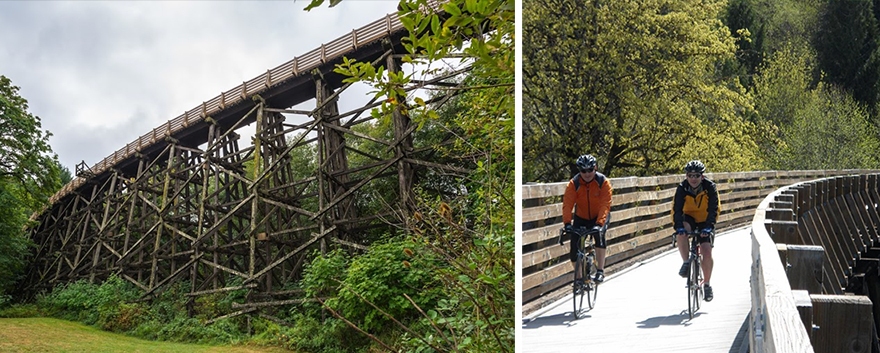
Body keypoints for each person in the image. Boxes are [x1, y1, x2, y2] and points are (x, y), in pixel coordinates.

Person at [671, 160, 720, 302]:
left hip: (705, 220)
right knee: (682, 232)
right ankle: (686, 262)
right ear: (686, 176)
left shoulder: (710, 187)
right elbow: (676, 209)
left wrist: (709, 226)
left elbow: (714, 208)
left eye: (697, 176)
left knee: (706, 250)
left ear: (702, 176)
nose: (693, 179)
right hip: (689, 217)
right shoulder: (682, 188)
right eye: (690, 175)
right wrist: (678, 227)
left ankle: (707, 284)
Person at [559, 154, 613, 283]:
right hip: (581, 216)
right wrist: (567, 223)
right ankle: (579, 278)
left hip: (599, 216)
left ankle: (600, 270)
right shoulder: (574, 184)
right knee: (574, 249)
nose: (587, 174)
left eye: (590, 170)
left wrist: (599, 224)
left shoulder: (603, 182)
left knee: (599, 237)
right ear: (579, 171)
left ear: (595, 168)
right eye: (583, 171)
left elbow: (605, 204)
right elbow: (567, 205)